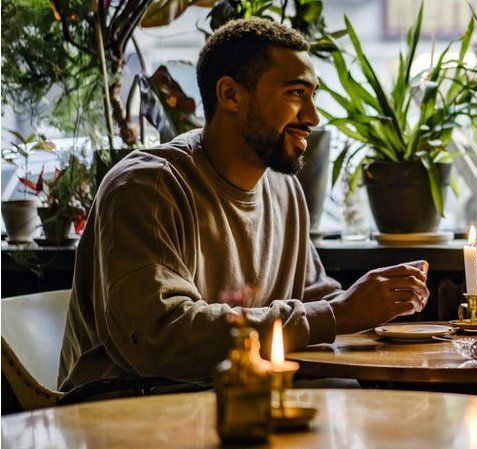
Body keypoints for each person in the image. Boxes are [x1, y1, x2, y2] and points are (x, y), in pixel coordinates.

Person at [59, 18, 429, 396]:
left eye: (313, 95)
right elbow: (160, 337)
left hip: (238, 395)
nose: (313, 117)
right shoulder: (147, 187)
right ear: (231, 95)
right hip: (127, 408)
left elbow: (315, 303)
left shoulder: (284, 189)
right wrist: (338, 314)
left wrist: (377, 309)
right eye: (296, 93)